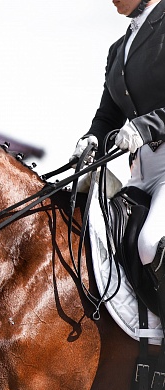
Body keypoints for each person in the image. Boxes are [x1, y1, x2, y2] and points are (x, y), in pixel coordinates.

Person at [72, 0, 165, 277]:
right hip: (140, 174)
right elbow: (108, 117)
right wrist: (91, 140)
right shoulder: (117, 51)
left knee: (150, 243)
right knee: (98, 236)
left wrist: (144, 127)